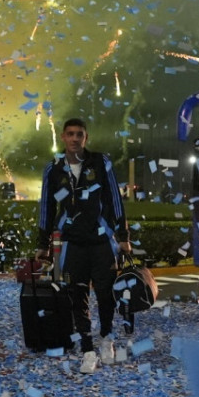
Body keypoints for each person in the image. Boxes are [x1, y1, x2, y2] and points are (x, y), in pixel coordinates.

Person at [37, 118, 131, 374]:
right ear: (63, 137)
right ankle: (88, 350)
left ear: (86, 138)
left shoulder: (101, 163)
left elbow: (115, 201)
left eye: (80, 134)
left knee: (106, 294)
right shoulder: (53, 168)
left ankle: (107, 340)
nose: (75, 138)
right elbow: (46, 206)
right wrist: (43, 243)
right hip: (71, 243)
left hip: (101, 241)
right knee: (77, 296)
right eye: (70, 134)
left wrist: (123, 236)